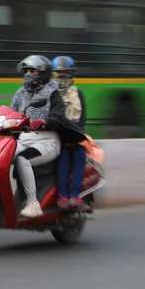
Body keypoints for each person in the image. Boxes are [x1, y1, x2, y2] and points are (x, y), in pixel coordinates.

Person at [10, 55, 67, 217]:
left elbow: (60, 118)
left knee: (23, 158)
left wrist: (43, 121)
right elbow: (11, 113)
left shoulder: (52, 93)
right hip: (24, 139)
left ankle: (33, 203)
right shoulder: (20, 93)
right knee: (1, 155)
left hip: (46, 142)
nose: (28, 74)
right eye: (26, 71)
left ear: (43, 73)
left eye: (33, 71)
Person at [52, 56, 92, 213]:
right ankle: (62, 196)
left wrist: (74, 135)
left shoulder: (78, 94)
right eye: (59, 74)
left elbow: (82, 120)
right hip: (57, 137)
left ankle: (75, 196)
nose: (63, 77)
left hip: (74, 136)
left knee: (79, 153)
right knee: (62, 157)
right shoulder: (51, 95)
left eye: (66, 73)